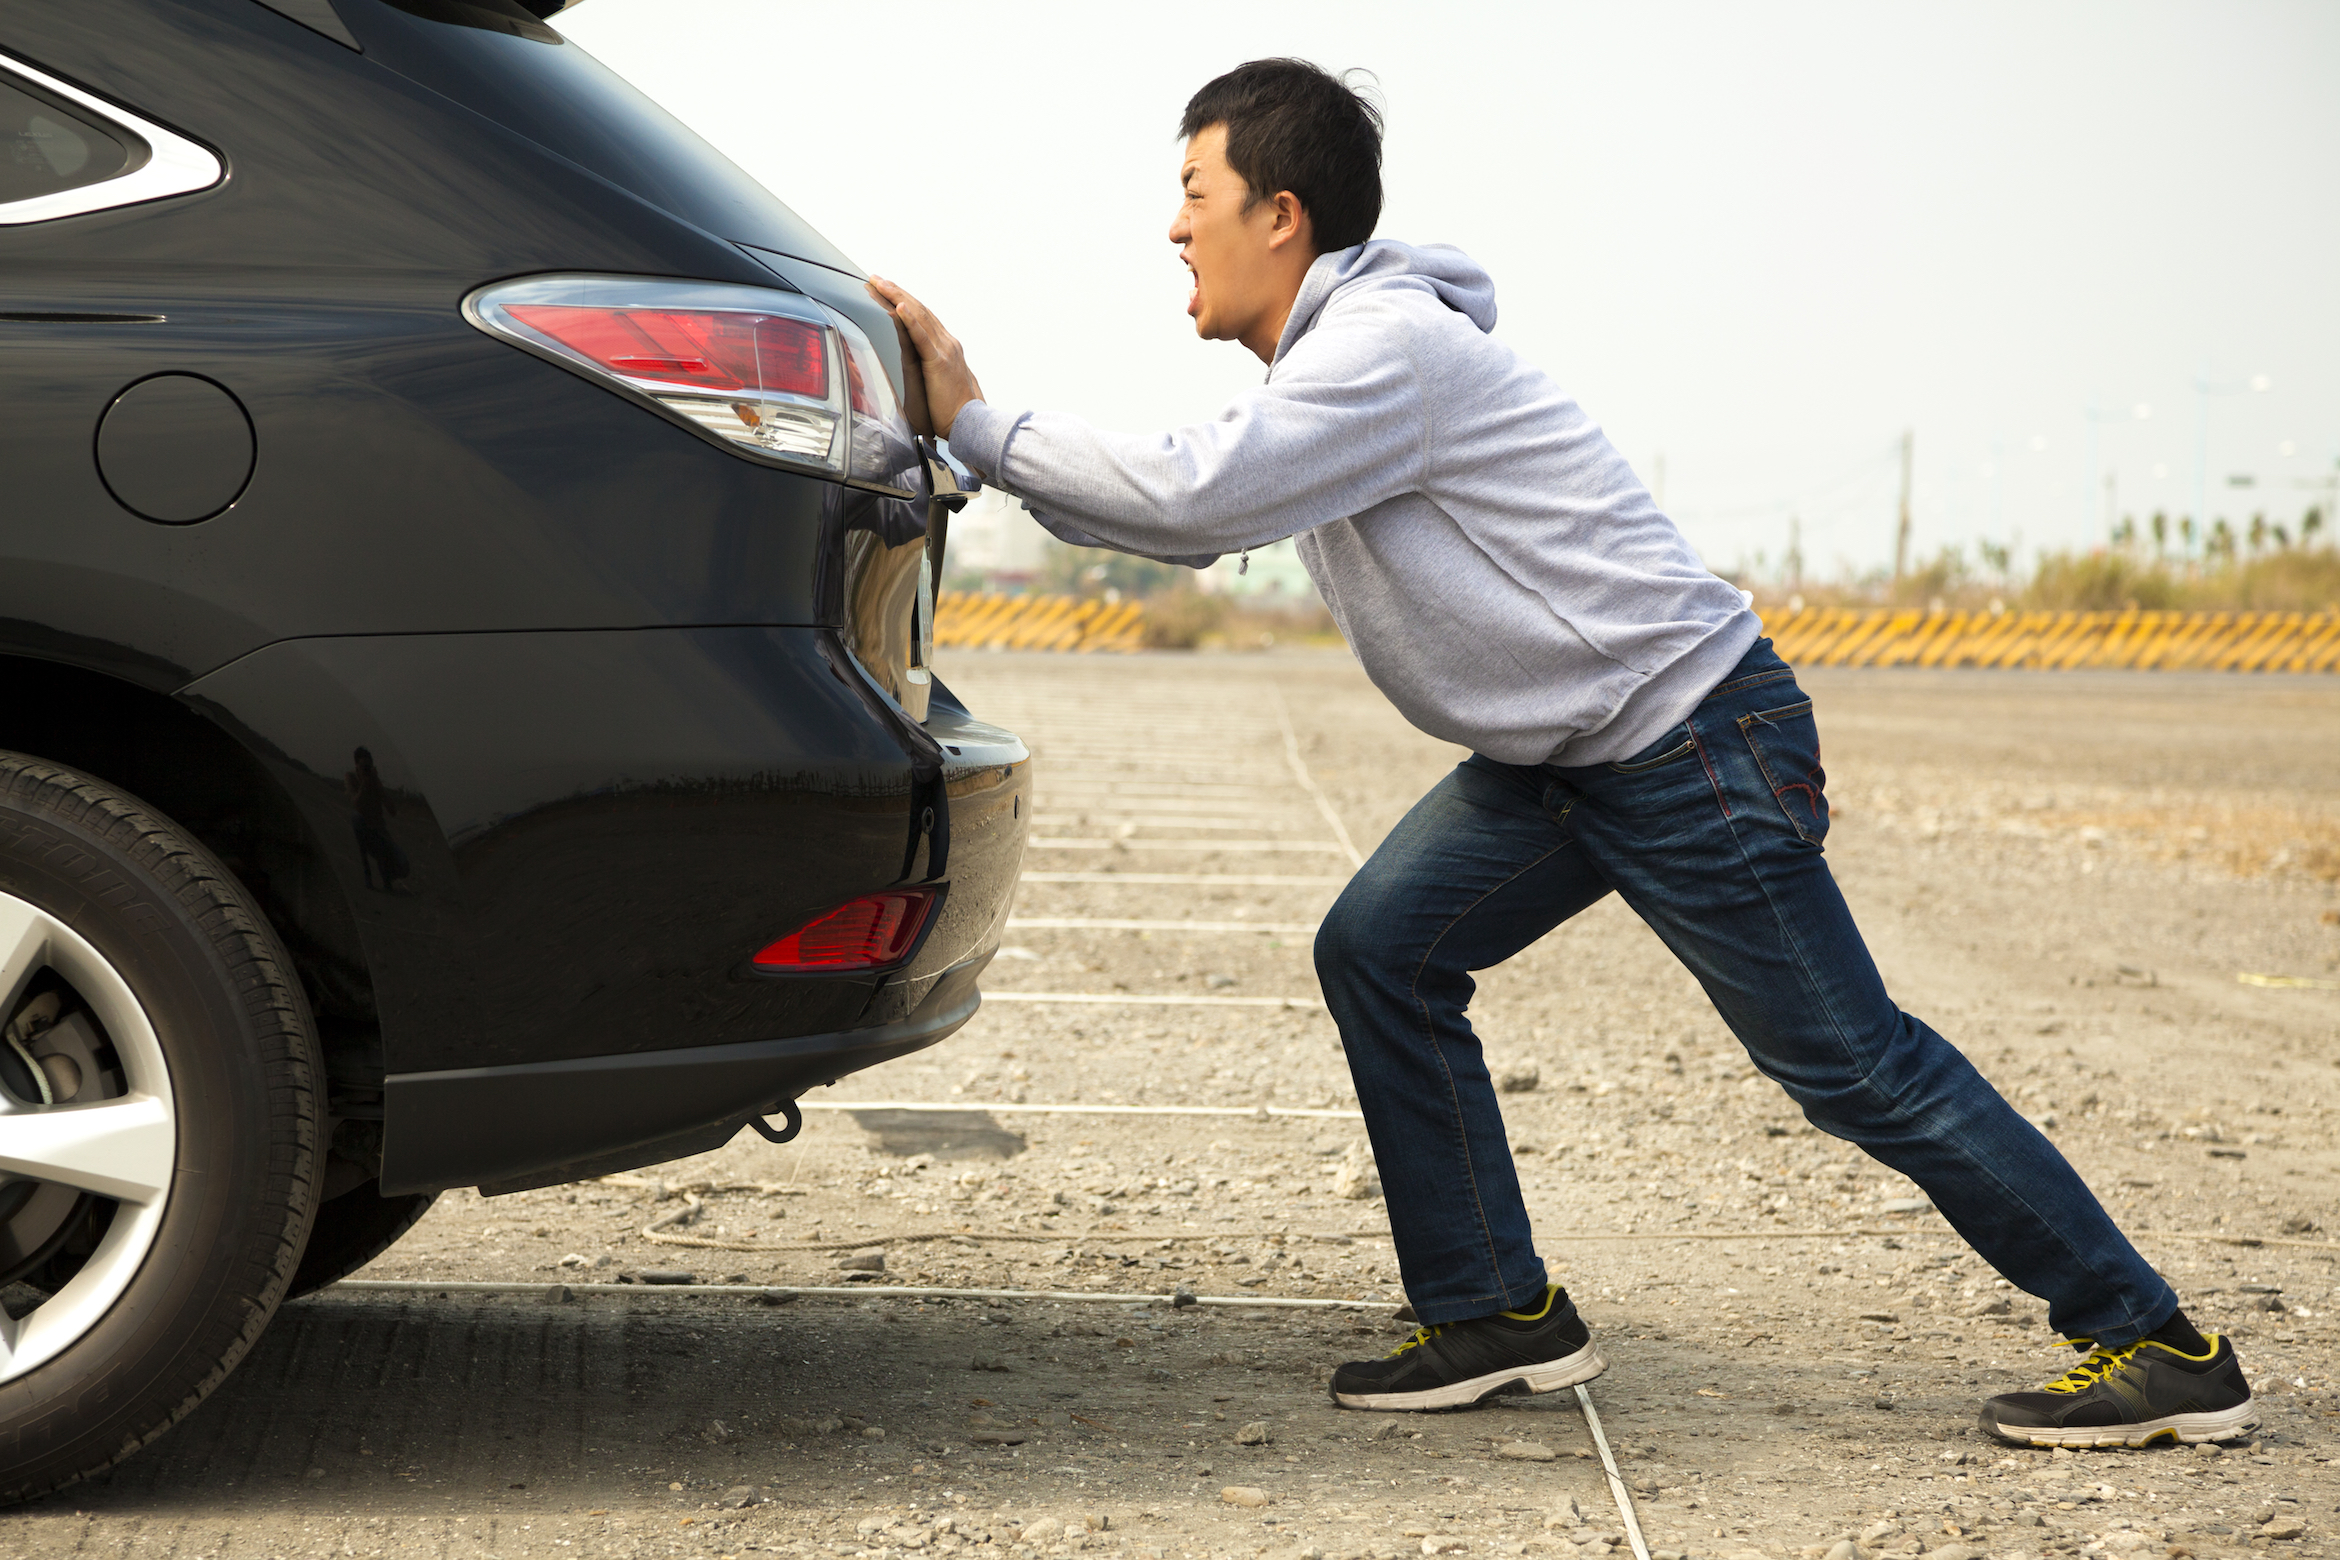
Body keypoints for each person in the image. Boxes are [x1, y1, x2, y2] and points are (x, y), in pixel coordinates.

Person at [868, 58, 2255, 1447]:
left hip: (1687, 740)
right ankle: (1495, 1315)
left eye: (1194, 195)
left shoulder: (1383, 353)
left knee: (1854, 1065)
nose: (1175, 230)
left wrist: (977, 420)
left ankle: (2155, 1343)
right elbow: (1204, 513)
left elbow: (1195, 496)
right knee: (1384, 951)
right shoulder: (1342, 365)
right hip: (1574, 760)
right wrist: (973, 451)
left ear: (1279, 216)